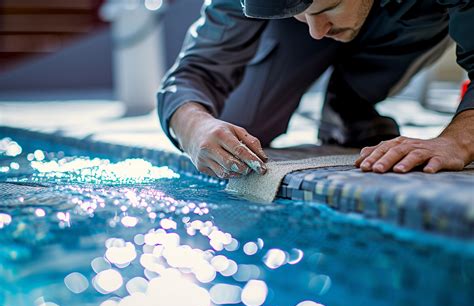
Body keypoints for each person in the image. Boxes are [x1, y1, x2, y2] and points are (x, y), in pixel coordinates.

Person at [157, 0, 474, 179]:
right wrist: (194, 128)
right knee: (233, 132)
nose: (316, 31)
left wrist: (457, 140)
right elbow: (193, 72)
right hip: (286, 34)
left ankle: (350, 103)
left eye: (326, 8)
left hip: (411, 23)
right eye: (302, 14)